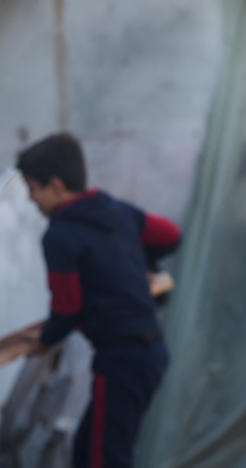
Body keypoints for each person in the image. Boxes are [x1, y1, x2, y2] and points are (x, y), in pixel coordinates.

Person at [16, 132, 181, 468]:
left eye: (33, 189)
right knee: (88, 450)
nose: (31, 200)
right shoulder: (117, 211)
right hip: (151, 354)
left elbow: (67, 308)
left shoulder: (60, 235)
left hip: (121, 360)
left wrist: (42, 340)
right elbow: (170, 236)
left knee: (104, 459)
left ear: (57, 186)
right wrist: (141, 263)